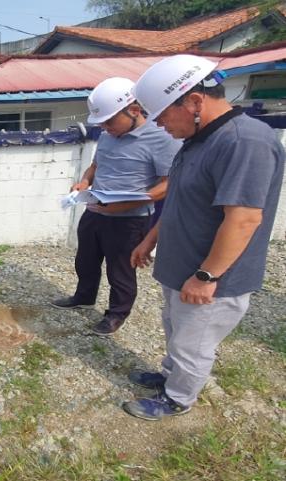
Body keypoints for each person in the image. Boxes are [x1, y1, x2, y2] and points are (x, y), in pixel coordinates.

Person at [123, 54, 285, 421]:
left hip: (210, 277)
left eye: (162, 115)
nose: (159, 125)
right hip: (183, 266)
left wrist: (207, 275)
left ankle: (178, 398)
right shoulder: (199, 140)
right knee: (176, 329)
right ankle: (170, 376)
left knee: (193, 342)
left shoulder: (244, 142)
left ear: (194, 101)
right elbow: (181, 199)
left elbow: (244, 218)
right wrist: (151, 239)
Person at [52, 77, 181, 336]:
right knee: (85, 259)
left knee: (120, 270)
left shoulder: (162, 138)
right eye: (101, 123)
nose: (105, 127)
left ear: (133, 110)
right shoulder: (108, 135)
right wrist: (84, 183)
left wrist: (125, 204)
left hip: (130, 219)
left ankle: (116, 313)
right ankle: (84, 296)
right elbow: (95, 166)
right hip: (95, 209)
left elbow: (168, 184)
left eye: (109, 121)